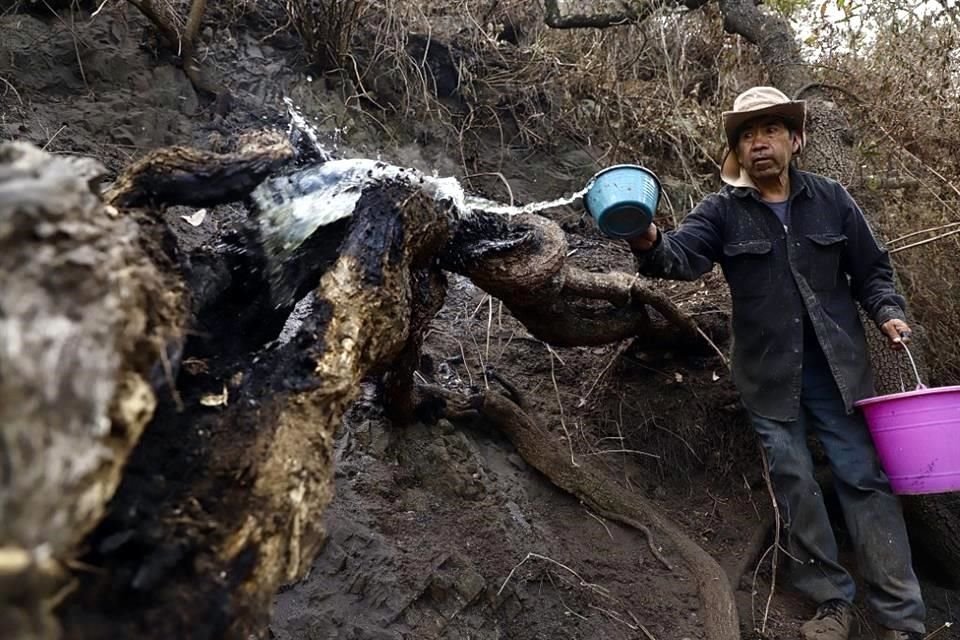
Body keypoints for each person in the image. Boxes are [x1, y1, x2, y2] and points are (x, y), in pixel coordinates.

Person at [623, 86, 926, 640]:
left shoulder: (832, 199)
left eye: (768, 131)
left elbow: (873, 270)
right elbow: (680, 258)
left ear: (795, 139)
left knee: (865, 479)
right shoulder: (720, 212)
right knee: (794, 481)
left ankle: (901, 619)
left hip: (840, 375)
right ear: (736, 152)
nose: (757, 143)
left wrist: (888, 312)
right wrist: (645, 237)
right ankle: (831, 605)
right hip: (768, 376)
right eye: (745, 135)